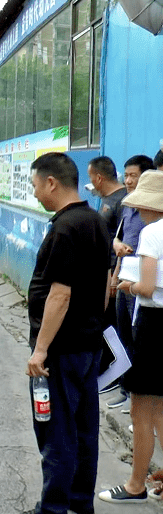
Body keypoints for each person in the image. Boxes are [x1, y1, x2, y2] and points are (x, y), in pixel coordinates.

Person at [8, 152, 110, 514]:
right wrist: (94, 324)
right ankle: (80, 499)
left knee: (56, 429)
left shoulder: (66, 228)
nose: (34, 193)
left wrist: (40, 350)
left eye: (35, 185)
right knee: (85, 427)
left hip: (63, 350)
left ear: (51, 182)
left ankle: (51, 512)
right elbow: (104, 285)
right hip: (88, 343)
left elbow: (60, 295)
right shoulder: (97, 221)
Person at [99, 170, 163, 504]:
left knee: (142, 408)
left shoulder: (153, 234)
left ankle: (137, 484)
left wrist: (128, 285)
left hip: (154, 322)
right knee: (161, 407)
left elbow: (147, 287)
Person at [106, 155, 155, 410]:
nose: (127, 180)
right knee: (123, 336)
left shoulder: (154, 216)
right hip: (124, 280)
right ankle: (126, 389)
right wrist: (114, 278)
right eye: (125, 175)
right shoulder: (127, 207)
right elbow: (119, 239)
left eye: (132, 175)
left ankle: (138, 395)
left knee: (139, 340)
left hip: (143, 287)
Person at [87, 156, 126, 393]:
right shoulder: (105, 199)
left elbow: (125, 240)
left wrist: (115, 274)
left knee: (111, 323)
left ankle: (115, 373)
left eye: (91, 178)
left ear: (99, 178)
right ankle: (103, 371)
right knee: (103, 320)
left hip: (114, 274)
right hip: (102, 270)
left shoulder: (122, 201)